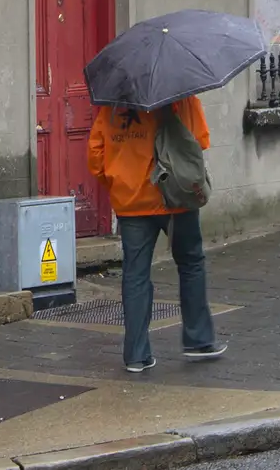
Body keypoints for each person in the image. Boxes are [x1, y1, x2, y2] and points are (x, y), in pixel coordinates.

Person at [88, 94, 227, 373]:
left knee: (135, 274)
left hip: (131, 204)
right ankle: (198, 340)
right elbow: (199, 140)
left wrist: (119, 187)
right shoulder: (183, 97)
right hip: (174, 200)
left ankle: (136, 355)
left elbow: (96, 156)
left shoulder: (112, 104)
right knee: (190, 263)